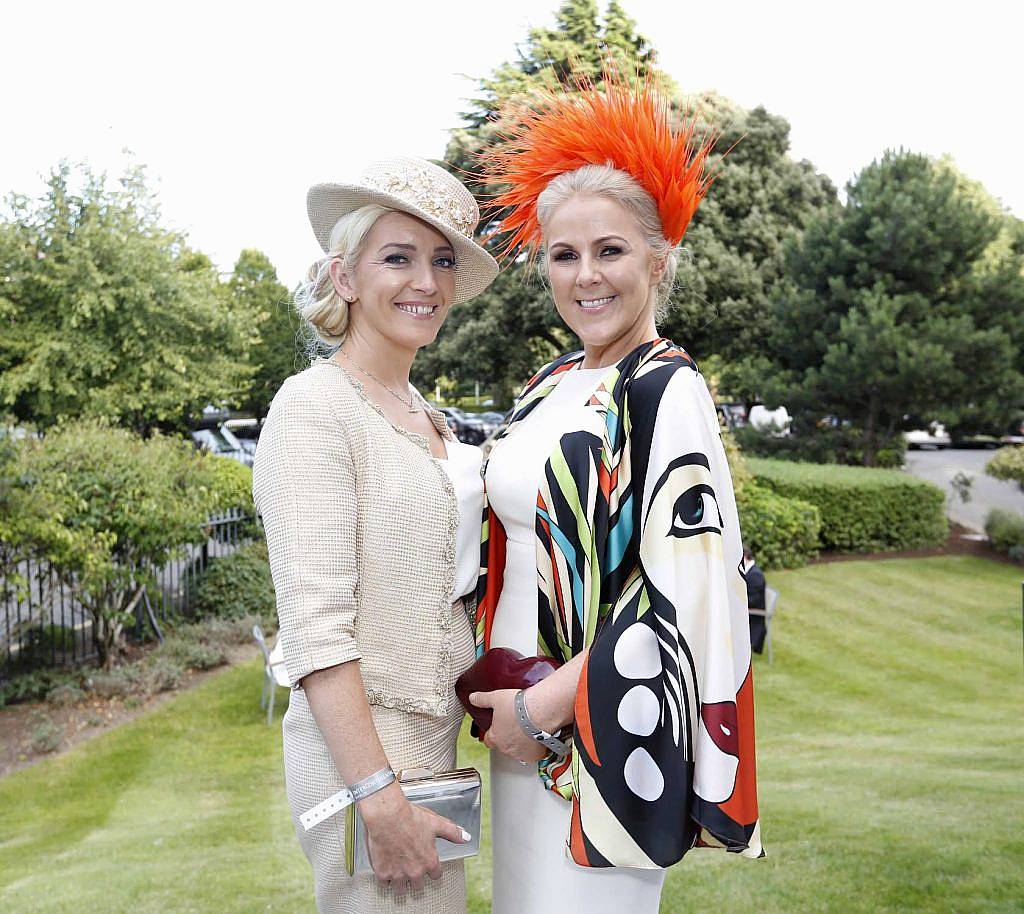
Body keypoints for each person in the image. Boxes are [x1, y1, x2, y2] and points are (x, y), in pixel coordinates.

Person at [466, 74, 763, 913]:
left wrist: (540, 710)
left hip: (604, 726)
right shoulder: (553, 382)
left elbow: (687, 589)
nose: (585, 276)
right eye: (564, 255)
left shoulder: (667, 389)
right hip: (519, 712)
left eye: (610, 251)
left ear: (658, 261)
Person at [252, 156, 498, 914]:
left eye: (441, 261)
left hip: (430, 741)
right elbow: (316, 627)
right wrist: (377, 795)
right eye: (398, 258)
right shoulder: (315, 409)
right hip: (361, 757)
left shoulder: (420, 409)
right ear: (346, 277)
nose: (425, 281)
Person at [744, 547, 769, 654]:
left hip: (754, 613)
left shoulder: (755, 575)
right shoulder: (749, 571)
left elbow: (754, 600)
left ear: (745, 557)